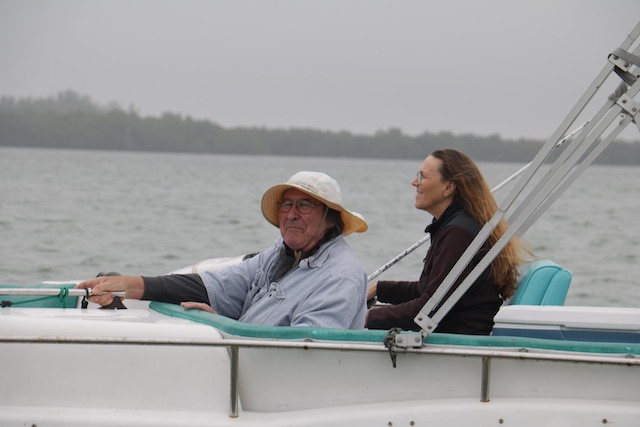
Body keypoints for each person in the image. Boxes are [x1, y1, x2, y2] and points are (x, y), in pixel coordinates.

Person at [77, 171, 369, 329]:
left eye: (305, 205)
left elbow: (305, 350)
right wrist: (127, 285)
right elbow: (215, 285)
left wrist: (221, 325)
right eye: (286, 204)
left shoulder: (341, 276)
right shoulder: (276, 255)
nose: (292, 214)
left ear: (330, 218)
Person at [366, 149, 529, 334]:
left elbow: (429, 308)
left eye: (422, 177)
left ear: (448, 188)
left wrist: (366, 318)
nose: (414, 182)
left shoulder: (459, 233)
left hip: (462, 342)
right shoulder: (457, 225)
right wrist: (378, 289)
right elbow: (430, 292)